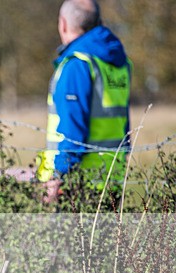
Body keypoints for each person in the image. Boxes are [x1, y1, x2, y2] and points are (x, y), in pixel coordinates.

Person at [36, 0, 131, 199]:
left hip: (77, 184)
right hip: (111, 179)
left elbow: (73, 130)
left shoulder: (77, 65)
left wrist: (58, 175)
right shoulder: (119, 63)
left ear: (63, 24)